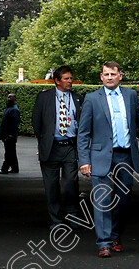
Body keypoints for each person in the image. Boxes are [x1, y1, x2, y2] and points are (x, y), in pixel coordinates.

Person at [77, 61, 139, 258]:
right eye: (106, 74)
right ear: (101, 77)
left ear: (120, 76)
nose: (109, 77)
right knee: (102, 201)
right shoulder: (91, 99)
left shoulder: (130, 96)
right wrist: (84, 161)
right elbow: (83, 133)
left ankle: (115, 235)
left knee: (123, 201)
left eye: (113, 74)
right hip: (100, 156)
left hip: (125, 156)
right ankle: (103, 243)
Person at [34, 66, 84, 229]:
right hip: (51, 148)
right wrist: (43, 142)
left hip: (69, 146)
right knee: (51, 186)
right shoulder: (44, 97)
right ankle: (56, 220)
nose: (70, 81)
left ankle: (73, 215)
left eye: (71, 78)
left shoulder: (77, 98)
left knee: (71, 183)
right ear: (57, 80)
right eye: (66, 79)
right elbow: (37, 121)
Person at [0, 93, 22, 174]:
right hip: (9, 135)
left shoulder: (12, 109)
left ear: (15, 99)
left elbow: (14, 124)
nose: (9, 99)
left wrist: (9, 135)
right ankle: (15, 168)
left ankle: (4, 168)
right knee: (11, 152)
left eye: (11, 97)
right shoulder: (12, 109)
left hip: (9, 135)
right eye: (9, 97)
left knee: (9, 152)